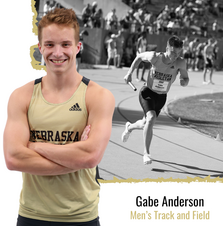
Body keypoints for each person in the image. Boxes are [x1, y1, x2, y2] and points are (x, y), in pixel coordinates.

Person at [3, 8, 115, 225]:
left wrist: (34, 146)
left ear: (78, 47)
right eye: (50, 44)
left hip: (81, 217)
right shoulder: (21, 96)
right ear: (40, 48)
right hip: (31, 216)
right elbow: (13, 158)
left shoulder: (98, 96)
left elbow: (90, 156)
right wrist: (75, 156)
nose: (57, 53)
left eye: (65, 44)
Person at [122, 36, 189, 165]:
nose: (176, 56)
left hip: (161, 97)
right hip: (147, 92)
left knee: (144, 123)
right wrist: (129, 73)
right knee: (151, 118)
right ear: (167, 48)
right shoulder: (155, 57)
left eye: (178, 53)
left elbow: (186, 79)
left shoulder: (180, 63)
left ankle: (129, 127)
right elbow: (139, 57)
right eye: (173, 52)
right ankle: (146, 153)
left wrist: (183, 82)